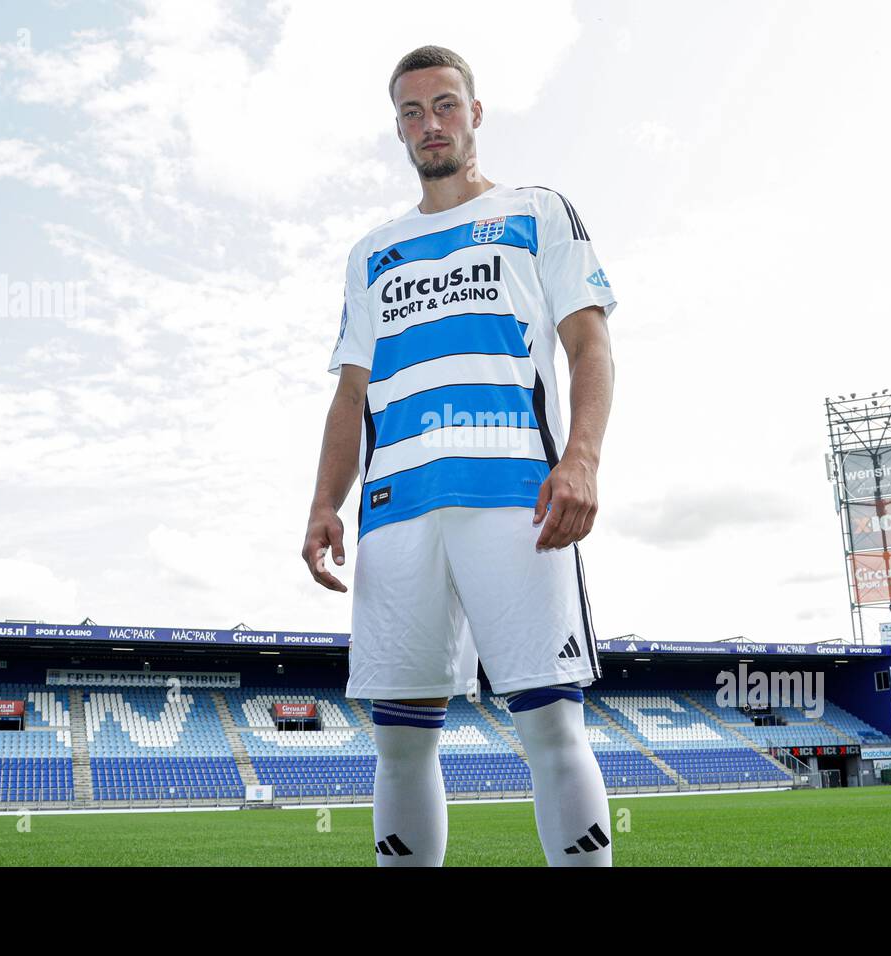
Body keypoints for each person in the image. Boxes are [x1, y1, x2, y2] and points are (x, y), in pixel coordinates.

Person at [302, 44, 617, 867]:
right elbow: (350, 391)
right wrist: (323, 504)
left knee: (550, 724)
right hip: (395, 515)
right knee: (400, 740)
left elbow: (589, 344)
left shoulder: (537, 210)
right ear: (398, 129)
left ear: (475, 113)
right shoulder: (373, 252)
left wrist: (581, 459)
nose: (429, 123)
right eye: (411, 112)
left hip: (517, 498)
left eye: (445, 105)